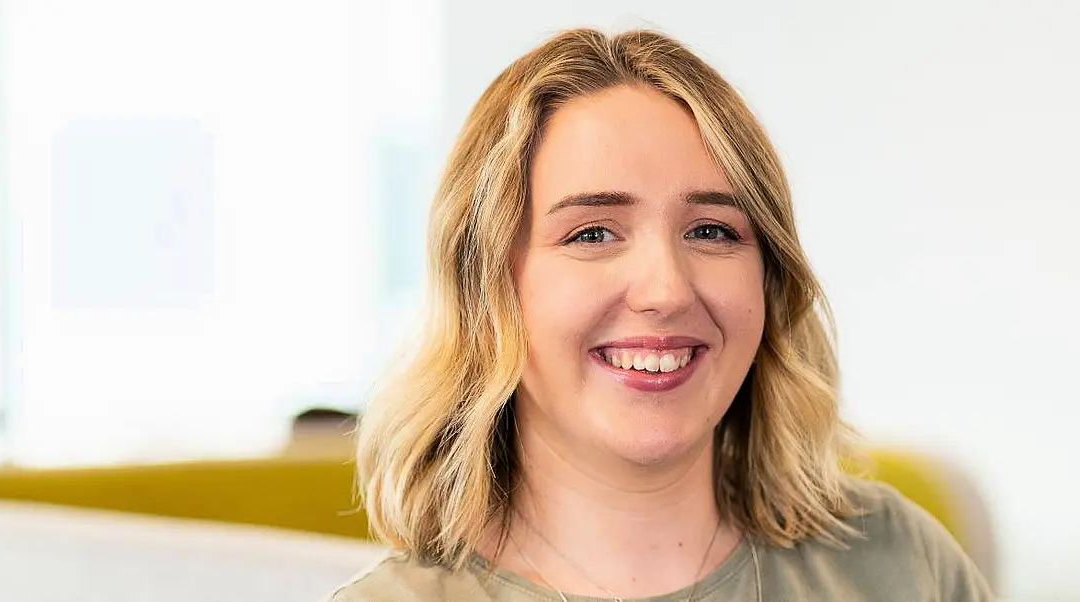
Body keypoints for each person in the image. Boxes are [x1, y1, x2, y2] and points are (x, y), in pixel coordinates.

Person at [328, 28, 993, 601]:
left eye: (711, 231)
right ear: (487, 287)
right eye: (592, 233)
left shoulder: (899, 565)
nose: (666, 290)